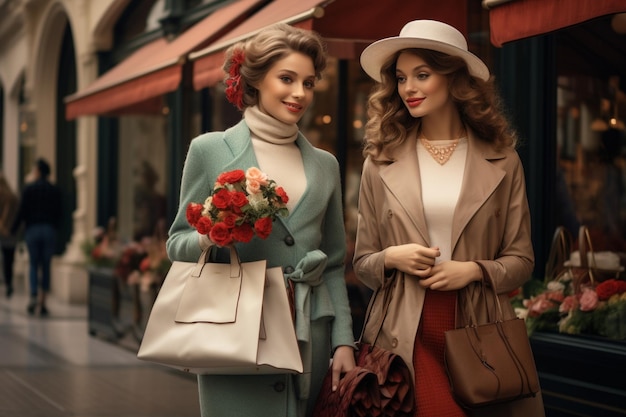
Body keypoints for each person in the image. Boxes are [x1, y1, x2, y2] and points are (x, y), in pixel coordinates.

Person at [353, 20, 544, 416]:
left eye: (423, 74)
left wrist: (473, 270)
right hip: (403, 330)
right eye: (402, 77)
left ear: (455, 79)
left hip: (480, 330)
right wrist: (392, 257)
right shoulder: (380, 161)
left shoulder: (504, 160)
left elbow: (522, 261)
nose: (409, 87)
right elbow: (363, 263)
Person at [166, 23, 355, 417]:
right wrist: (212, 232)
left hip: (310, 334)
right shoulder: (209, 150)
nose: (300, 93)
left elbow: (334, 263)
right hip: (236, 333)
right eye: (287, 78)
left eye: (309, 81)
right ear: (256, 81)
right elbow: (177, 244)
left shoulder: (326, 165)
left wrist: (343, 343)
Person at [11, 158, 63, 316]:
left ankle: (33, 294)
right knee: (46, 265)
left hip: (33, 229)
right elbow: (60, 213)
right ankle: (43, 299)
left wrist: (13, 229)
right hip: (48, 229)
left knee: (33, 263)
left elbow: (22, 211)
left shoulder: (29, 189)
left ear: (38, 171)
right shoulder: (54, 190)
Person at [0, 172, 19, 298]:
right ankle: (9, 282)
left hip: (2, 232)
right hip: (11, 233)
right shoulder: (13, 196)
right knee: (9, 260)